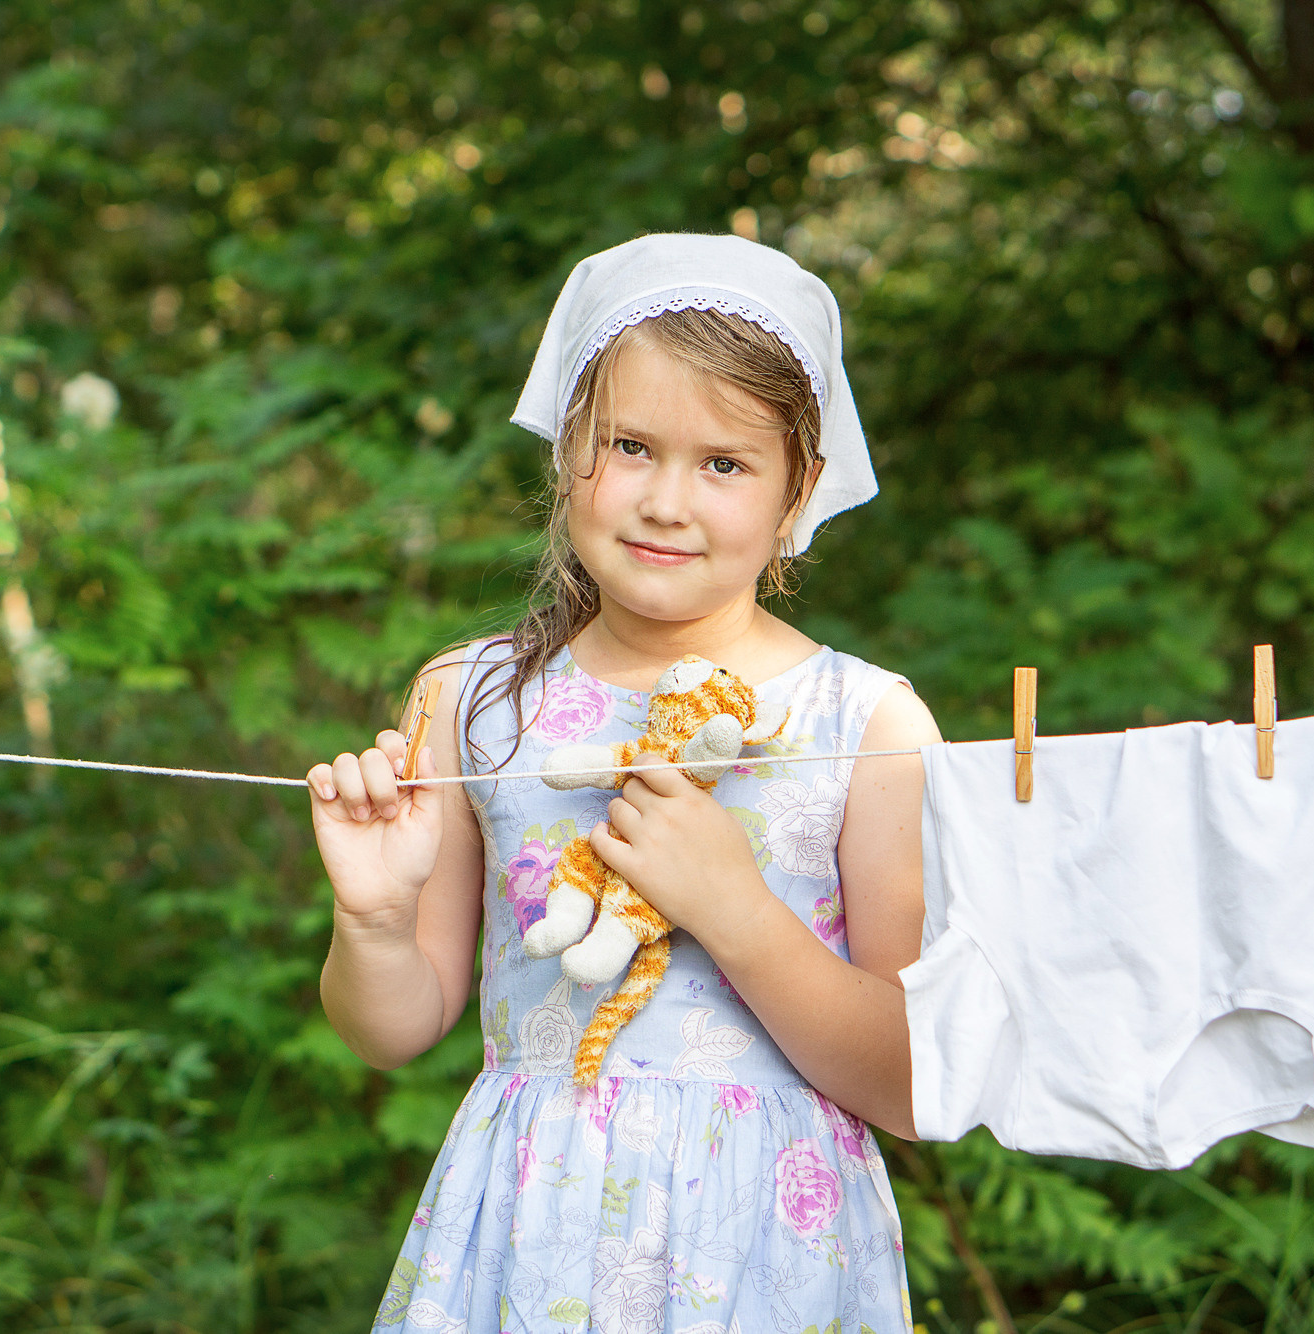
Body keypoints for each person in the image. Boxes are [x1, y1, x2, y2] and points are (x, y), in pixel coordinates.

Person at [311, 233, 938, 1333]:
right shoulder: (471, 700)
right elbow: (393, 1028)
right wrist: (372, 917)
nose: (664, 499)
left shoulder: (865, 723)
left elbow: (908, 1082)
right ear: (567, 454)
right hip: (531, 1227)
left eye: (724, 463)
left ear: (799, 490)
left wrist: (735, 909)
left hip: (767, 1250)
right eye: (630, 445)